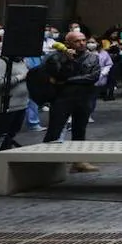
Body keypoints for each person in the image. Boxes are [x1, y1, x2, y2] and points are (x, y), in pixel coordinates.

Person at [42, 32, 101, 173]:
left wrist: (68, 81)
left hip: (84, 98)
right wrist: (68, 60)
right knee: (54, 130)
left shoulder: (93, 57)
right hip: (63, 98)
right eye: (77, 41)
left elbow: (93, 77)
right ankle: (46, 163)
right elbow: (56, 76)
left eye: (83, 40)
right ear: (68, 43)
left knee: (80, 130)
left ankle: (78, 161)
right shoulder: (56, 57)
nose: (82, 43)